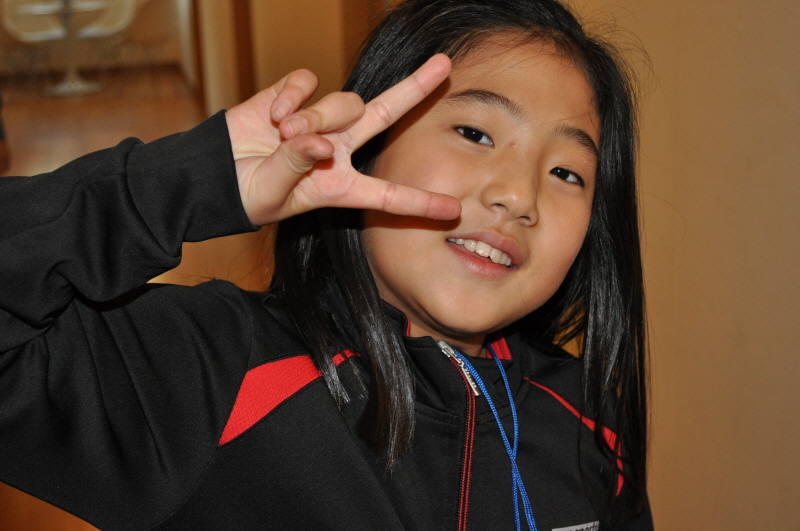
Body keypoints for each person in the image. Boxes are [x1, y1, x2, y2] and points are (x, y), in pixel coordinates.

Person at [0, 0, 651, 529]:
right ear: (368, 151)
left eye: (567, 172)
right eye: (475, 133)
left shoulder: (588, 419)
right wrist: (194, 181)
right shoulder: (216, 373)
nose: (519, 196)